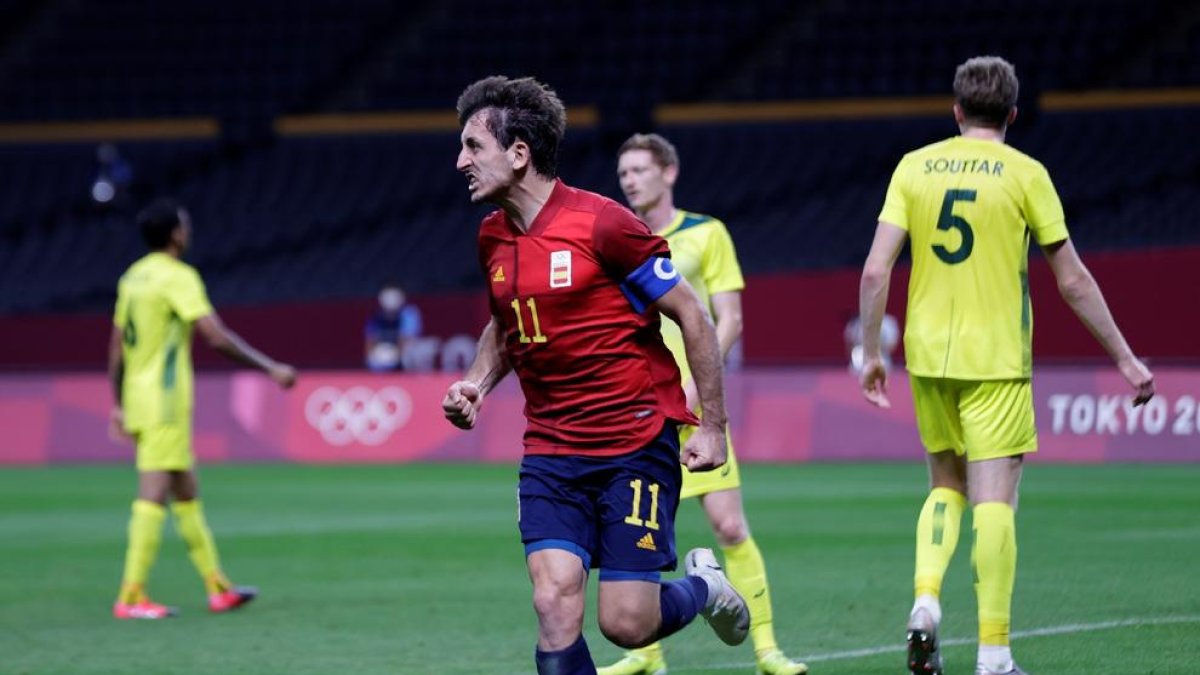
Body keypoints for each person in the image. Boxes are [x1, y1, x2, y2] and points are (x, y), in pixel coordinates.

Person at [442, 75, 749, 675]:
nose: (461, 162)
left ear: (519, 153)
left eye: (474, 146)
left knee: (625, 625)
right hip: (552, 451)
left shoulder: (602, 225)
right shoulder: (491, 237)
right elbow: (506, 324)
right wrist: (476, 383)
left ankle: (705, 588)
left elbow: (695, 317)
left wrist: (712, 426)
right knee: (552, 600)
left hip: (633, 443)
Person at [858, 56, 1155, 675]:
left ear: (957, 109)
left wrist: (872, 355)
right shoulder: (1026, 173)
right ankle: (993, 656)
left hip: (928, 354)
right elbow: (1070, 279)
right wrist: (1124, 358)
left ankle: (926, 602)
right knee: (997, 498)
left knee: (944, 485)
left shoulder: (914, 167)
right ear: (1013, 114)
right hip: (995, 358)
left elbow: (876, 269)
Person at [601, 133, 808, 675]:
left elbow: (730, 317)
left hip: (692, 405)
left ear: (669, 173)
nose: (630, 180)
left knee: (730, 527)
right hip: (634, 410)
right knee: (634, 530)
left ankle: (766, 649)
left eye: (640, 170)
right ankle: (645, 654)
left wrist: (694, 385)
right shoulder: (615, 236)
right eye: (624, 172)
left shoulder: (706, 232)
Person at [109, 198, 298, 619]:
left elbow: (117, 346)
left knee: (186, 490)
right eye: (186, 225)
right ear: (175, 234)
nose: (189, 231)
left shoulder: (132, 277)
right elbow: (215, 337)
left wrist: (118, 402)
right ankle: (131, 594)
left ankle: (218, 586)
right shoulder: (177, 277)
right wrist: (271, 367)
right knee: (154, 493)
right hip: (164, 400)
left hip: (141, 398)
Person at [364, 283, 423, 371]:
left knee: (412, 355)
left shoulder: (409, 314)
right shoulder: (375, 317)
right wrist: (372, 355)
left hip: (404, 353)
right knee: (375, 360)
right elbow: (370, 340)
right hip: (382, 355)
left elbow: (407, 339)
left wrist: (395, 355)